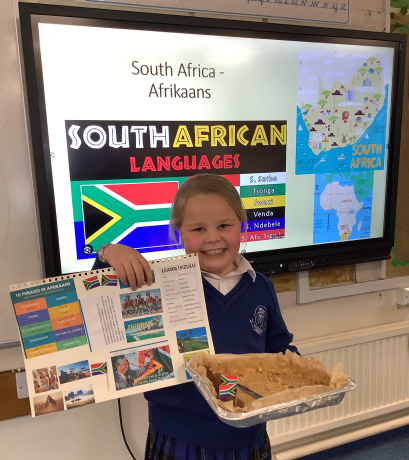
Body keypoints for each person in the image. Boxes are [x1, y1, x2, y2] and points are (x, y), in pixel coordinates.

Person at [93, 173, 298, 459]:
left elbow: (279, 348)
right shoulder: (159, 286)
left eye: (224, 225)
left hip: (247, 436)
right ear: (179, 232)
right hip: (177, 436)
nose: (212, 237)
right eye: (198, 229)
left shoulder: (261, 287)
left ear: (241, 225)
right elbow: (97, 306)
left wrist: (299, 365)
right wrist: (108, 253)